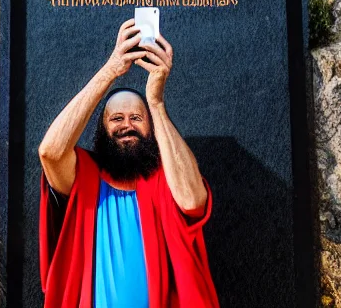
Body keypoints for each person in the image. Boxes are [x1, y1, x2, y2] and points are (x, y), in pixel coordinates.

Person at [38, 18, 220, 308]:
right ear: (101, 129)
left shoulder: (164, 179)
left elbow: (192, 199)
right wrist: (111, 70)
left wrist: (156, 103)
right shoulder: (83, 176)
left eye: (137, 117)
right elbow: (50, 152)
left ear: (151, 129)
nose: (127, 125)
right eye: (116, 118)